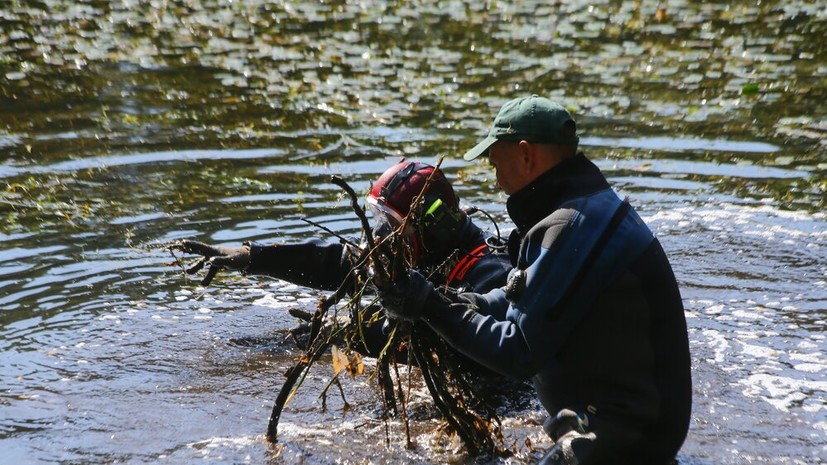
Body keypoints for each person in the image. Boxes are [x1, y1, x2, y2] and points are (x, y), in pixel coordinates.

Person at [379, 96, 692, 464]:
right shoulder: (579, 208)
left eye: (496, 163)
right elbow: (516, 300)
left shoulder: (574, 224)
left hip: (628, 435)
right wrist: (450, 300)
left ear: (526, 155)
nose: (496, 181)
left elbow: (518, 352)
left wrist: (427, 305)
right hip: (612, 422)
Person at [170, 160, 513, 361]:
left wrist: (342, 335)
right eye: (380, 221)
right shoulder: (424, 250)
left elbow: (433, 334)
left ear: (433, 226)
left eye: (393, 228)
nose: (382, 240)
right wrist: (252, 257)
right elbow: (339, 262)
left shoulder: (489, 274)